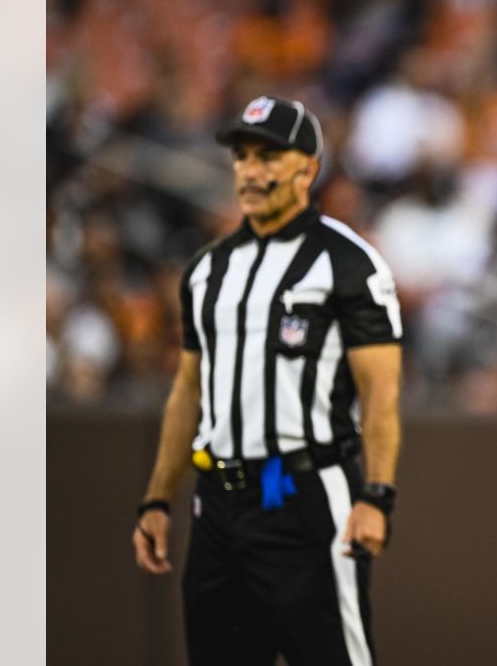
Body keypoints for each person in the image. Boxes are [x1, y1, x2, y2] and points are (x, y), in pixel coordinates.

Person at [131, 95, 403, 666]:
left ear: (309, 167)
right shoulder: (208, 269)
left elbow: (381, 393)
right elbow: (188, 390)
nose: (251, 171)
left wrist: (376, 495)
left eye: (268, 156)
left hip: (307, 495)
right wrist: (158, 498)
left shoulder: (348, 262)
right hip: (218, 504)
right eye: (242, 156)